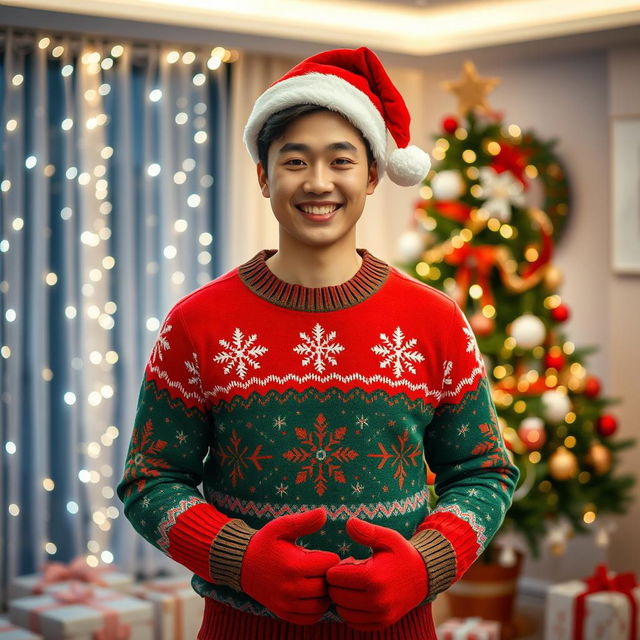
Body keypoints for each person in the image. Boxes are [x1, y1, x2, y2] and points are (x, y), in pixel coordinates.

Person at [117, 46, 520, 640]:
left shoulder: (434, 320)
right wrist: (242, 560)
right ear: (263, 175)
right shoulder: (196, 323)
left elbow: (484, 471)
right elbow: (150, 479)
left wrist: (424, 565)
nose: (319, 182)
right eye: (295, 161)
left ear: (373, 175)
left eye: (341, 160)